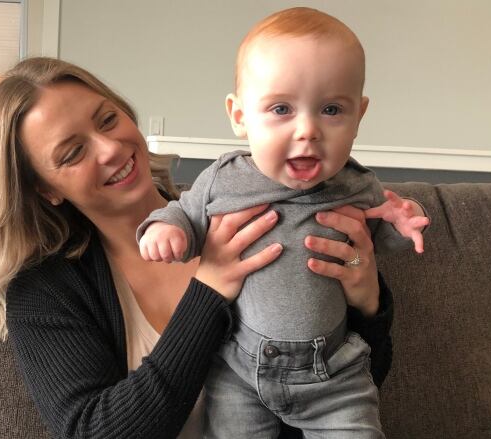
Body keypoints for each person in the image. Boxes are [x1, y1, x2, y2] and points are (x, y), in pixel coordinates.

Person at [0, 56, 396, 439]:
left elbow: (351, 391)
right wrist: (207, 293)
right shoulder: (47, 290)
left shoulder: (249, 210)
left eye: (108, 119)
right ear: (45, 190)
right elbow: (94, 431)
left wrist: (369, 307)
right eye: (74, 152)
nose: (112, 148)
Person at [137, 7, 429, 438]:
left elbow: (381, 235)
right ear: (239, 116)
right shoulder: (224, 179)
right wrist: (167, 231)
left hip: (335, 374)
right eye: (281, 109)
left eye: (331, 109)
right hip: (239, 370)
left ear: (359, 116)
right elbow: (182, 211)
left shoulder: (358, 184)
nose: (308, 130)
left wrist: (406, 222)